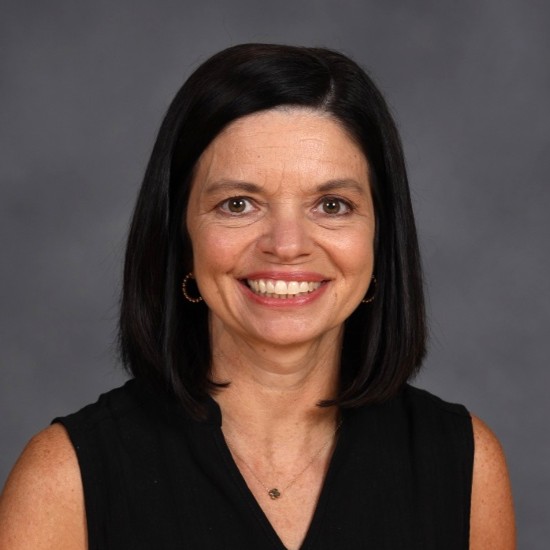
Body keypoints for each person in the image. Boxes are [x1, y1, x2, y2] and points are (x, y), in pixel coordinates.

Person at [0, 43, 515, 549]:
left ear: (380, 239)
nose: (286, 246)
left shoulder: (463, 463)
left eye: (332, 205)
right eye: (238, 204)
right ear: (181, 236)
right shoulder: (64, 480)